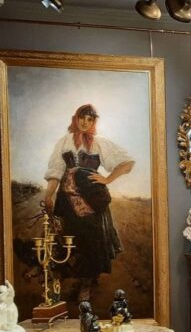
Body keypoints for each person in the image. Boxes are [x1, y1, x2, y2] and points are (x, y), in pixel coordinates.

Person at [43, 104, 135, 302]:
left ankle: (87, 283)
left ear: (94, 121)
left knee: (92, 240)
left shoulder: (100, 142)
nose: (85, 122)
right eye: (82, 117)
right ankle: (67, 281)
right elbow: (56, 171)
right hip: (68, 199)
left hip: (93, 198)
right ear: (76, 118)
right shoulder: (64, 141)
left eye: (89, 119)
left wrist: (107, 179)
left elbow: (128, 163)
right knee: (70, 237)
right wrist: (48, 195)